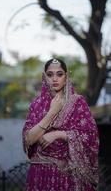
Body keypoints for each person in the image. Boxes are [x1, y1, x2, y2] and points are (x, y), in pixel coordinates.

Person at [22, 58, 99, 191]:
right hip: (39, 175)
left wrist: (59, 134)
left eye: (59, 74)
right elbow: (29, 139)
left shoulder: (78, 102)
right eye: (50, 74)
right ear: (44, 77)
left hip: (67, 177)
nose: (55, 79)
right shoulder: (36, 104)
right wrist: (52, 112)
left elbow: (91, 137)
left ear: (66, 76)